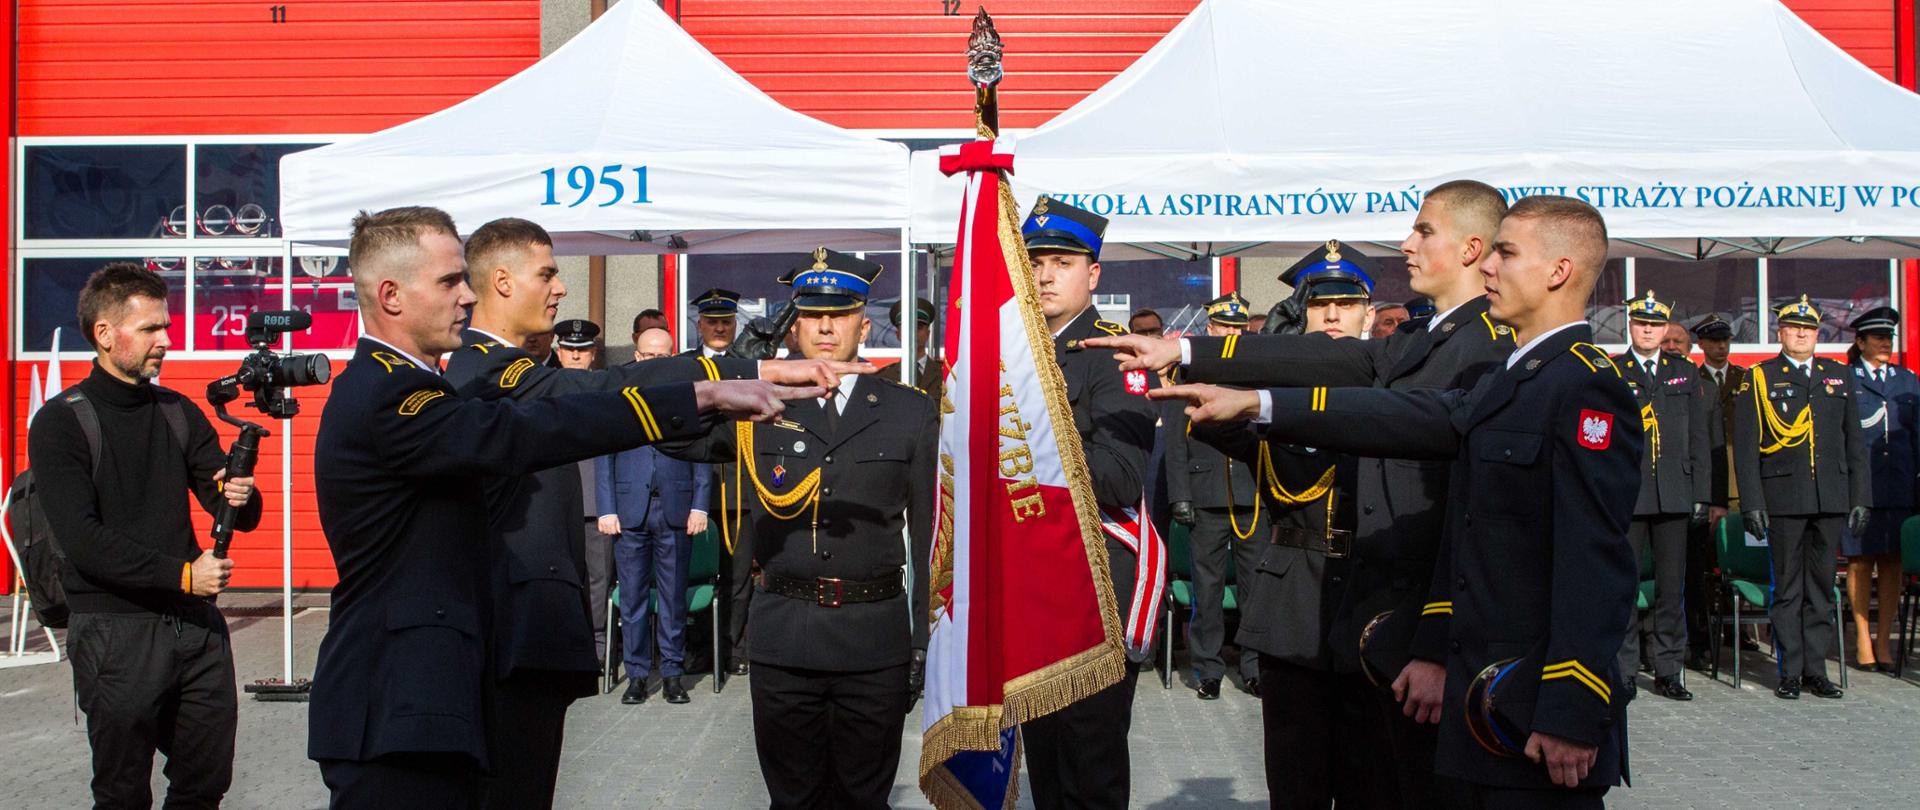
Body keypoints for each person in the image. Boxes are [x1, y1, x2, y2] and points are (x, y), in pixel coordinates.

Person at [308, 206, 815, 808]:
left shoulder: (415, 386)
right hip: (394, 703)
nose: (466, 296)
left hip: (425, 697)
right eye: (449, 282)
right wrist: (701, 389)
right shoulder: (389, 396)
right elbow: (533, 427)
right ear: (390, 295)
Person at [1152, 195, 1641, 808]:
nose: (1490, 266)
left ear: (1558, 270)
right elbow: (1407, 414)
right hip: (1488, 702)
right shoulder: (1515, 379)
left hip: (1535, 704)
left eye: (1507, 253)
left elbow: (1595, 562)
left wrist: (1573, 707)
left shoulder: (1585, 384)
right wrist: (1257, 403)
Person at [1084, 180, 1517, 807]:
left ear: (1472, 247)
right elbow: (1329, 361)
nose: (1407, 243)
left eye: (1423, 231)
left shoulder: (1485, 348)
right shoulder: (1432, 339)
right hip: (1335, 607)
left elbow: (1464, 523)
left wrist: (1433, 641)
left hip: (1406, 619)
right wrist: (1184, 349)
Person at [668, 248, 935, 810]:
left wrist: (921, 642)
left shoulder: (908, 410)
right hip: (785, 638)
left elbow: (934, 535)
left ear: (864, 323)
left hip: (873, 640)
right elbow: (673, 437)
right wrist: (732, 370)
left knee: (866, 799)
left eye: (840, 314)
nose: (827, 326)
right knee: (792, 801)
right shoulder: (755, 404)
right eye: (812, 314)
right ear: (794, 324)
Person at [28, 262, 260, 809]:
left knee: (204, 785)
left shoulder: (178, 411)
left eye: (166, 326)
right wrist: (183, 574)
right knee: (123, 793)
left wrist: (239, 495)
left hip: (195, 630)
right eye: (151, 328)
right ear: (106, 335)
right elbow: (83, 539)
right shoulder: (62, 422)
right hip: (114, 631)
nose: (166, 339)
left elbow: (233, 511)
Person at [1191, 257, 1387, 809]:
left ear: (1367, 314)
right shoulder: (1273, 395)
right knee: (1295, 777)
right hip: (1292, 599)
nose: (1332, 315)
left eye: (1346, 305)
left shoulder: (1394, 387)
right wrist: (1264, 362)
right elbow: (1213, 420)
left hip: (1372, 597)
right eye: (1320, 305)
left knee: (1370, 778)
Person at [1017, 197, 1159, 810]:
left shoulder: (1114, 355)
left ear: (1093, 273)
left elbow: (1122, 479)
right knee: (1044, 766)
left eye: (1062, 261)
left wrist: (1033, 434)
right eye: (1035, 261)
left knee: (1091, 769)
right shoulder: (1013, 355)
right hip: (1028, 587)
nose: (1045, 275)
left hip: (1091, 589)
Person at [1732, 295, 1869, 699]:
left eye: (1808, 330)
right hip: (1784, 497)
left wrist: (1861, 497)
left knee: (1822, 588)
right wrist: (1753, 502)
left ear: (1817, 334)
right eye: (1794, 328)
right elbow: (1746, 448)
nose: (1802, 335)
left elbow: (1854, 445)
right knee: (1788, 588)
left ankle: (1815, 670)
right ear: (1781, 332)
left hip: (1830, 498)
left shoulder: (1837, 376)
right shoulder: (1761, 377)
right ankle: (1789, 670)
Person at [601, 327, 713, 706]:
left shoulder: (686, 397)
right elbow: (605, 455)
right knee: (631, 600)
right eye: (648, 357)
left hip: (676, 512)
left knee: (673, 599)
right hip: (629, 513)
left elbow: (702, 453)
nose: (654, 363)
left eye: (662, 357)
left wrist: (700, 505)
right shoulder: (619, 398)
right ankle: (635, 675)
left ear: (673, 357)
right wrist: (606, 507)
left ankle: (672, 675)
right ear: (636, 356)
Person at [1165, 292, 1268, 700]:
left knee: (1256, 588)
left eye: (1237, 327)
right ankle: (1207, 669)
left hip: (1252, 495)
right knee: (1205, 589)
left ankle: (1254, 667)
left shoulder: (1259, 371)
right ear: (1209, 328)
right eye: (1223, 326)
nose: (1231, 333)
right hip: (1205, 495)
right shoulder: (1189, 375)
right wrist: (1180, 496)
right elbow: (1175, 442)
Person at [1611, 291, 1710, 702]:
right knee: (1624, 587)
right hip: (1628, 493)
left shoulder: (1684, 373)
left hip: (1673, 491)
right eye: (1640, 323)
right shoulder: (1612, 371)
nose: (1648, 329)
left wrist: (1702, 492)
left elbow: (1700, 438)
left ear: (1666, 329)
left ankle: (1669, 669)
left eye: (1655, 324)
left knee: (1672, 588)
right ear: (1630, 327)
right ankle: (1625, 669)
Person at [1843, 307, 1915, 673]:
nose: (1885, 343)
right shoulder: (1847, 379)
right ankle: (1861, 636)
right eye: (1877, 338)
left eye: (1888, 338)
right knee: (1860, 561)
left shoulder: (1906, 380)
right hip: (1862, 486)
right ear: (1860, 342)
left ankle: (1884, 639)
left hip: (1899, 484)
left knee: (1892, 563)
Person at [552, 319, 616, 663]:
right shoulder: (544, 387)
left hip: (594, 501)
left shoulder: (607, 390)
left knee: (599, 578)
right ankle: (564, 643)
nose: (576, 357)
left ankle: (598, 647)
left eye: (582, 351)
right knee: (561, 577)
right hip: (556, 500)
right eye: (569, 350)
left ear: (593, 354)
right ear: (559, 353)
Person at [1688, 313, 1745, 668]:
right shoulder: (1694, 380)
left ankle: (1736, 633)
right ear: (1702, 345)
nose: (1721, 346)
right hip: (1709, 481)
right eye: (1714, 341)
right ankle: (1708, 632)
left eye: (1725, 340)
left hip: (1741, 480)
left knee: (1737, 560)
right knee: (1706, 562)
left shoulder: (1745, 378)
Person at [877, 297, 944, 405]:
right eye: (907, 327)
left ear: (928, 333)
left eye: (918, 327)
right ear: (898, 334)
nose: (913, 332)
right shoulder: (883, 378)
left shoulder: (944, 375)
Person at [688, 288, 741, 358]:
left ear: (735, 326)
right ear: (700, 326)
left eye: (726, 322)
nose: (720, 329)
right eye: (712, 322)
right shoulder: (682, 363)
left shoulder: (751, 364)